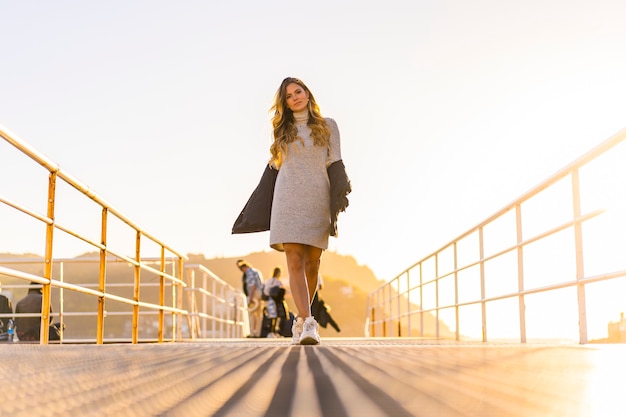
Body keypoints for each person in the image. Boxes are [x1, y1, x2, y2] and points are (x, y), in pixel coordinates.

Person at [267, 77, 351, 345]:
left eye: (298, 91)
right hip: (287, 198)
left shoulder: (328, 126)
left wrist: (340, 194)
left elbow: (335, 160)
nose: (296, 97)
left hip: (317, 196)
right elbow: (277, 167)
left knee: (312, 264)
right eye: (289, 96)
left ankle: (300, 321)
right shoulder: (282, 130)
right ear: (285, 104)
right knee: (294, 260)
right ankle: (308, 321)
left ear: (307, 93)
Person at [236, 260, 264, 338]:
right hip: (260, 293)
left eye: (242, 269)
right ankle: (258, 333)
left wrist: (251, 298)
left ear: (245, 267)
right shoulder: (256, 271)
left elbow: (252, 286)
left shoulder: (249, 272)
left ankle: (252, 333)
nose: (242, 271)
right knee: (259, 315)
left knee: (251, 314)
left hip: (254, 294)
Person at [263, 266, 285, 337]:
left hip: (270, 300)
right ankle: (272, 332)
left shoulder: (269, 281)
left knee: (272, 316)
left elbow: (265, 291)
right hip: (276, 301)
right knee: (275, 316)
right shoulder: (277, 281)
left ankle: (272, 332)